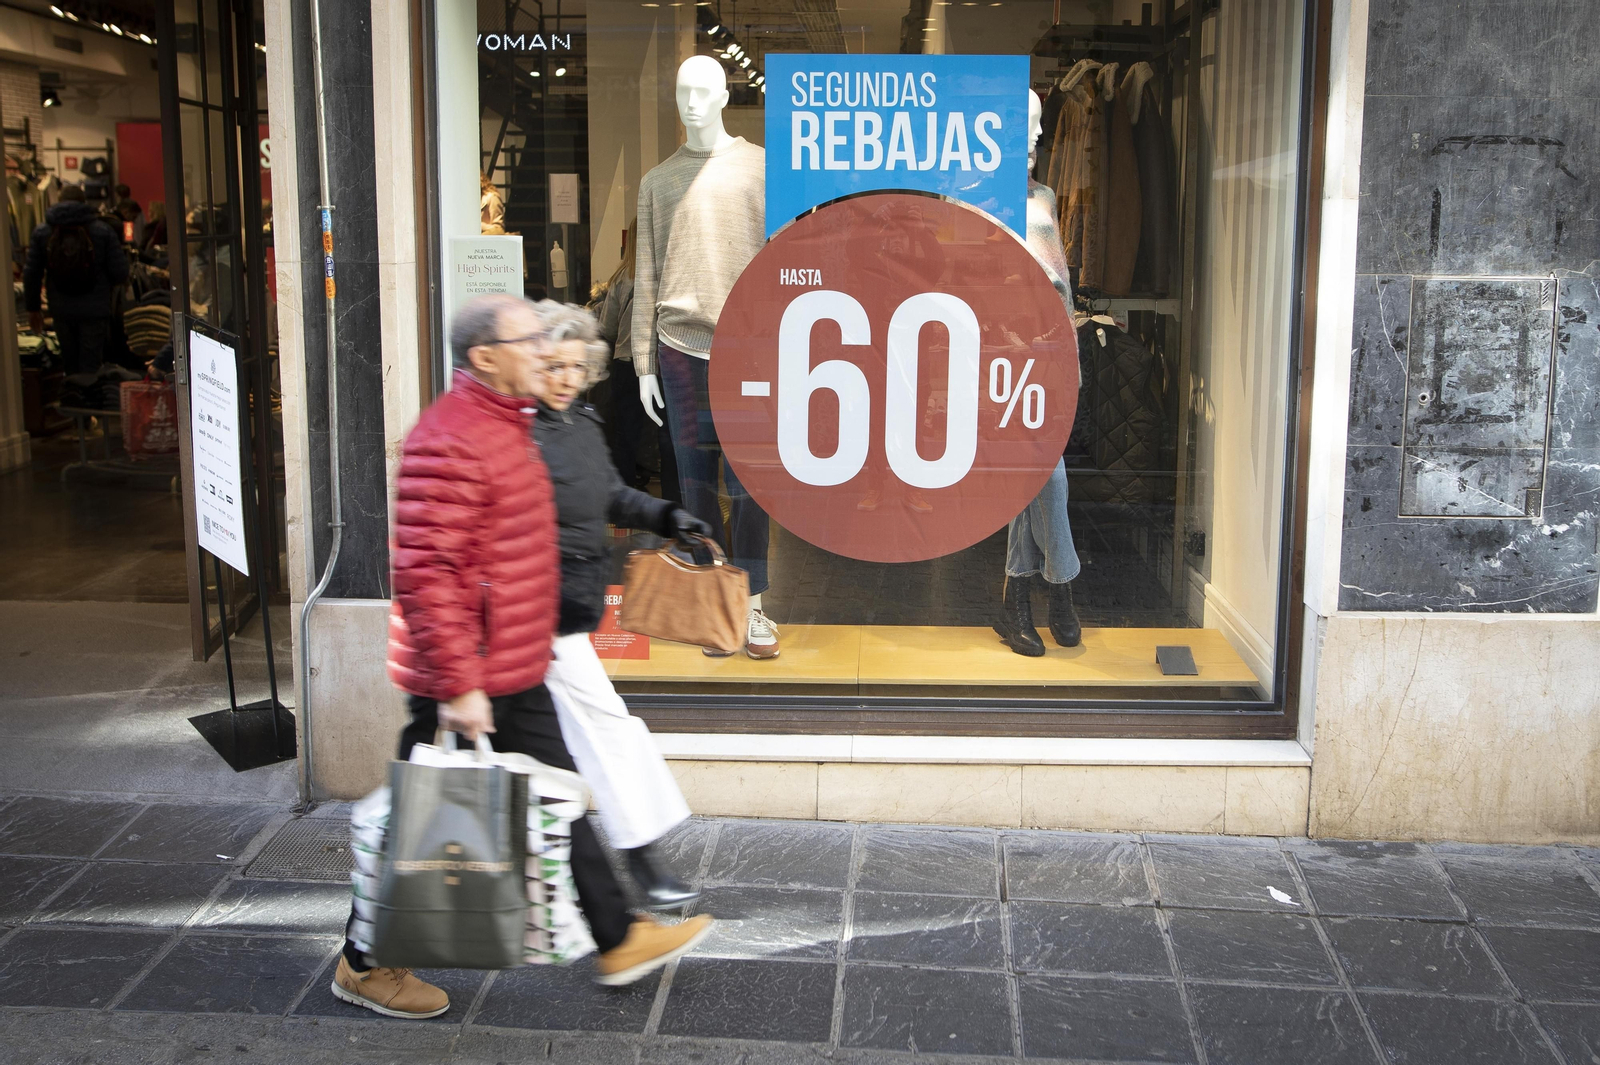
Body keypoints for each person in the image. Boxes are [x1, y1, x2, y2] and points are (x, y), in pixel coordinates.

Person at [331, 294, 712, 1020]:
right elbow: (428, 572)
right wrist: (461, 683)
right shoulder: (449, 438)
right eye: (529, 340)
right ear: (484, 357)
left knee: (557, 795)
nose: (544, 350)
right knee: (425, 816)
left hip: (515, 660)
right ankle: (365, 962)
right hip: (470, 675)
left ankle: (620, 935)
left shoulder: (511, 423)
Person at [531, 301, 711, 908]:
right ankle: (637, 868)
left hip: (563, 619)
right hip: (529, 621)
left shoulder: (579, 423)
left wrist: (666, 516)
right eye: (553, 365)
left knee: (544, 762)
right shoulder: (516, 432)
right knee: (605, 730)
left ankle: (607, 891)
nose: (564, 377)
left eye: (575, 367)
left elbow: (609, 494)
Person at [22, 185, 129, 375]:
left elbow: (32, 273)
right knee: (91, 364)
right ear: (84, 202)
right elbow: (120, 272)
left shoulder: (42, 232)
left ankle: (71, 398)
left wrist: (33, 308)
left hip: (61, 308)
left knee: (70, 364)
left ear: (59, 201)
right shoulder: (102, 230)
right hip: (95, 309)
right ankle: (89, 401)